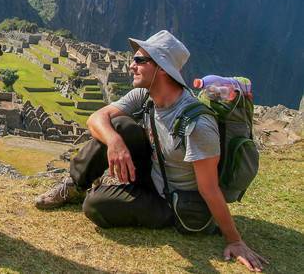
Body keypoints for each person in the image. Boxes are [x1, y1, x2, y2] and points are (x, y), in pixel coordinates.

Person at [34, 30, 268, 272]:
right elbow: (96, 118)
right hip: (152, 174)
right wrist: (115, 142)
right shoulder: (144, 95)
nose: (131, 66)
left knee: (95, 205)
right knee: (118, 126)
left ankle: (107, 194)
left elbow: (209, 189)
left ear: (163, 68)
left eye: (139, 60)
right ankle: (73, 186)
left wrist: (234, 240)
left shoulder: (197, 126)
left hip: (172, 202)